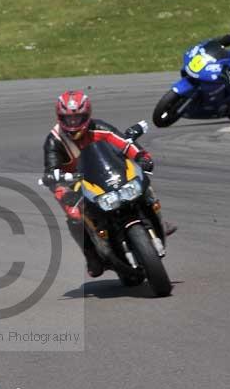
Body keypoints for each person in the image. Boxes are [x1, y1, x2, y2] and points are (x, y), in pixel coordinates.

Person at [43, 90, 175, 278]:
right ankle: (91, 255)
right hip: (75, 183)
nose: (73, 123)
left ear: (87, 115)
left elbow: (123, 143)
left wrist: (141, 156)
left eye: (77, 118)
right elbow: (50, 170)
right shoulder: (54, 140)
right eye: (68, 119)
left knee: (140, 179)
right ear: (60, 117)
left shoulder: (99, 127)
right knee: (74, 215)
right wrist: (55, 180)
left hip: (108, 174)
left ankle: (157, 220)